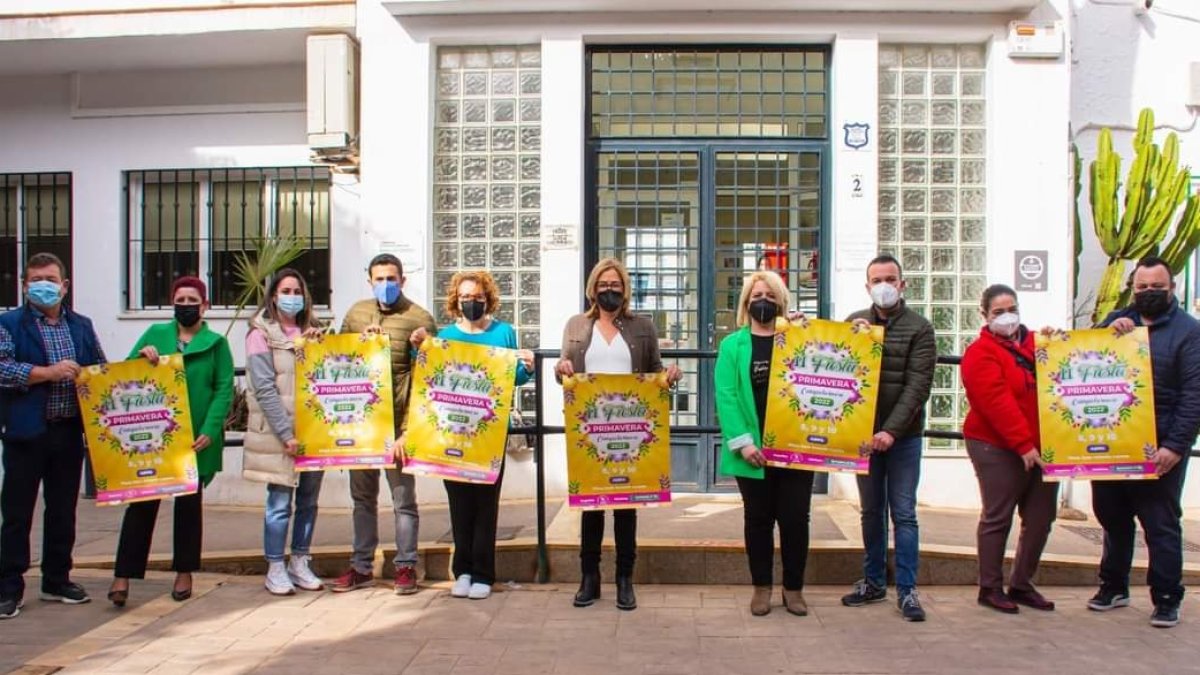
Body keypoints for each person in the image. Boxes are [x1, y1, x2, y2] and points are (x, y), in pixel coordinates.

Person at [554, 258, 681, 611]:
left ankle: (625, 578)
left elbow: (654, 370)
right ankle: (589, 578)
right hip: (591, 430)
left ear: (625, 289)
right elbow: (564, 369)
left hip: (630, 430)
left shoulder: (642, 326)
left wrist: (670, 375)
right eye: (603, 285)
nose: (609, 291)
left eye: (616, 285)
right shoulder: (577, 325)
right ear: (593, 288)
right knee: (591, 508)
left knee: (627, 508)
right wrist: (560, 368)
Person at [108, 276, 234, 606]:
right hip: (154, 439)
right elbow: (124, 379)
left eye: (193, 300)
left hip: (194, 439)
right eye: (180, 299)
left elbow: (223, 388)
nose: (186, 305)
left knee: (189, 508)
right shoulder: (154, 336)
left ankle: (185, 572)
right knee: (142, 505)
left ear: (204, 306)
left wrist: (210, 428)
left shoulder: (216, 344)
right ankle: (123, 575)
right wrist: (141, 358)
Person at [410, 270, 535, 601]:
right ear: (456, 300)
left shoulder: (504, 333)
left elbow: (516, 377)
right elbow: (429, 371)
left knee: (485, 505)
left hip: (489, 434)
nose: (471, 302)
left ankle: (483, 572)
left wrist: (529, 365)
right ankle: (461, 570)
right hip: (451, 434)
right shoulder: (447, 335)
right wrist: (416, 347)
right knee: (459, 504)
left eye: (477, 297)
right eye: (465, 297)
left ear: (488, 297)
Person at [1091, 256, 1200, 628]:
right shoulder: (1121, 323)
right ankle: (1113, 586)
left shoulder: (1189, 332)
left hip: (1160, 447)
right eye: (1142, 288)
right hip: (1113, 440)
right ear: (1132, 289)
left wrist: (1175, 446)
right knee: (1112, 516)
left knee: (1160, 523)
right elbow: (1087, 362)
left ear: (1172, 289)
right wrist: (1108, 330)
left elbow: (1194, 395)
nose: (1149, 293)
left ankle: (1167, 597)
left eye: (1157, 287)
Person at [0, 253, 106, 619]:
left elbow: (99, 370)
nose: (42, 286)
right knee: (16, 513)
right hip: (26, 432)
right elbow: (3, 369)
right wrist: (48, 373)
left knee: (63, 510)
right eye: (34, 280)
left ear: (64, 286)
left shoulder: (81, 325)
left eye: (49, 279)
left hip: (67, 431)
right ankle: (9, 586)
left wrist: (144, 361)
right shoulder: (9, 323)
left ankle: (57, 579)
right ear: (25, 285)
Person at [331, 254, 437, 595]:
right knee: (362, 499)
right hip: (362, 426)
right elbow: (337, 363)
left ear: (402, 281)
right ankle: (361, 566)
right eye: (379, 279)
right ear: (370, 280)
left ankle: (406, 567)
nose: (385, 285)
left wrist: (409, 430)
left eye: (392, 279)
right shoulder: (356, 314)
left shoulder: (419, 318)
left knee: (403, 501)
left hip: (398, 427)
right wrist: (360, 341)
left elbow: (429, 378)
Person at [841, 254, 936, 622]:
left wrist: (890, 432)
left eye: (890, 278)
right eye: (877, 279)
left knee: (904, 513)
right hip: (862, 440)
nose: (884, 285)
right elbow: (827, 361)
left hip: (903, 439)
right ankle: (873, 581)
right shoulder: (855, 323)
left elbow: (917, 387)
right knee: (870, 512)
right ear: (868, 286)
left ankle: (908, 590)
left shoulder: (920, 328)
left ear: (902, 284)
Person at [714, 270, 814, 618]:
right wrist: (743, 443)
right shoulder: (732, 346)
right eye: (757, 295)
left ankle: (794, 589)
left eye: (771, 296)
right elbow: (726, 396)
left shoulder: (800, 338)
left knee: (795, 520)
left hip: (795, 449)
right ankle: (761, 588)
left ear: (782, 301)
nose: (763, 302)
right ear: (746, 302)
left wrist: (806, 331)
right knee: (758, 520)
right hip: (751, 452)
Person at [961, 284, 1058, 614]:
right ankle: (990, 586)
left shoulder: (1039, 346)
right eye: (998, 312)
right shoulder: (980, 353)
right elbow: (995, 402)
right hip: (995, 445)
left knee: (1041, 517)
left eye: (1011, 309)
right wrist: (1023, 445)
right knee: (998, 516)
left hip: (1042, 448)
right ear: (985, 315)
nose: (1006, 316)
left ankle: (1021, 583)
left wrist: (1059, 344)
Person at [243, 269, 328, 595]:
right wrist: (285, 434)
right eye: (285, 290)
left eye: (297, 290)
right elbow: (264, 388)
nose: (292, 295)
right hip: (282, 435)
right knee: (279, 502)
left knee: (309, 501)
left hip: (314, 433)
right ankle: (275, 565)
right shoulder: (260, 333)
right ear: (274, 296)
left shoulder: (314, 331)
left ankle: (300, 561)